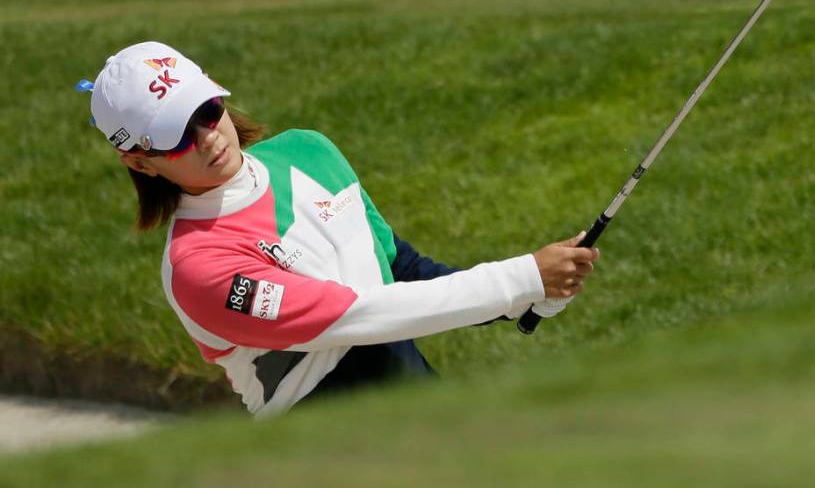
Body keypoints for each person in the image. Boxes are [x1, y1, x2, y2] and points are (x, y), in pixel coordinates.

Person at [77, 41, 598, 417]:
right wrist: (520, 279)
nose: (208, 136)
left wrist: (522, 301)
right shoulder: (198, 266)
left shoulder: (307, 151)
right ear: (140, 163)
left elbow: (399, 272)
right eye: (177, 136)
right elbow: (357, 315)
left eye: (207, 111)